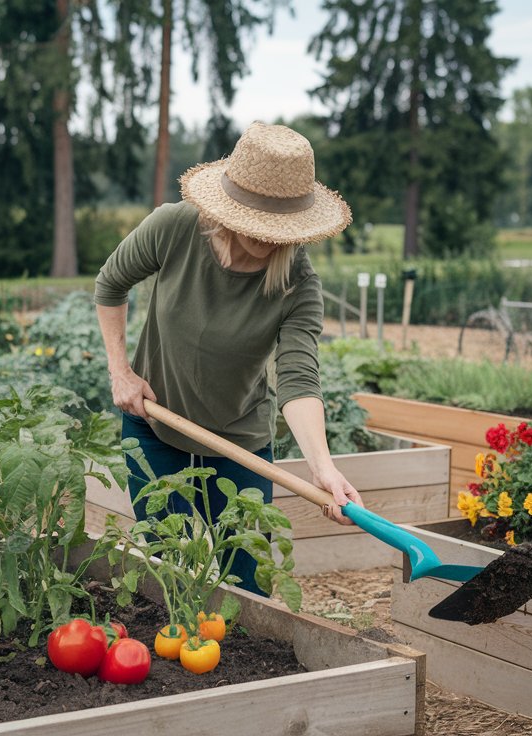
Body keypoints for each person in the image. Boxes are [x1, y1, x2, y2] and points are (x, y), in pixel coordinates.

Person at [94, 121, 364, 595]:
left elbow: (299, 379)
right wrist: (121, 372)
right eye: (257, 220)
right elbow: (110, 284)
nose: (268, 237)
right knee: (165, 579)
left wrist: (322, 467)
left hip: (241, 446)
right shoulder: (175, 228)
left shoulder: (297, 283)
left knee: (249, 589)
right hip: (154, 429)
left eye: (281, 227)